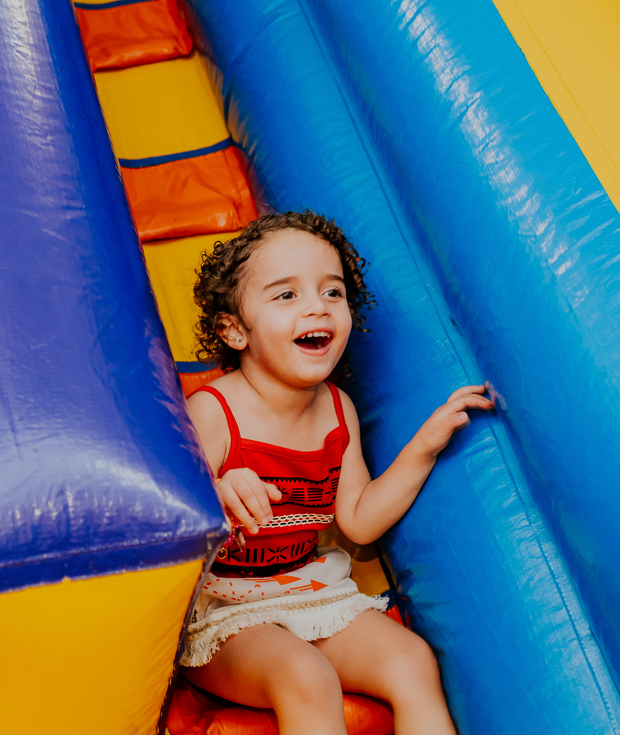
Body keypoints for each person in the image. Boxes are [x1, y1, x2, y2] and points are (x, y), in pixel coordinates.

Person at [181, 211, 492, 735]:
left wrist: (424, 446)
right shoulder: (213, 411)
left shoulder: (337, 410)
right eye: (287, 295)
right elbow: (164, 520)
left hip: (306, 589)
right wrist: (214, 491)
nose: (317, 307)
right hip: (223, 608)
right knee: (306, 675)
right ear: (234, 330)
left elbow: (359, 521)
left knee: (411, 660)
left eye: (332, 292)